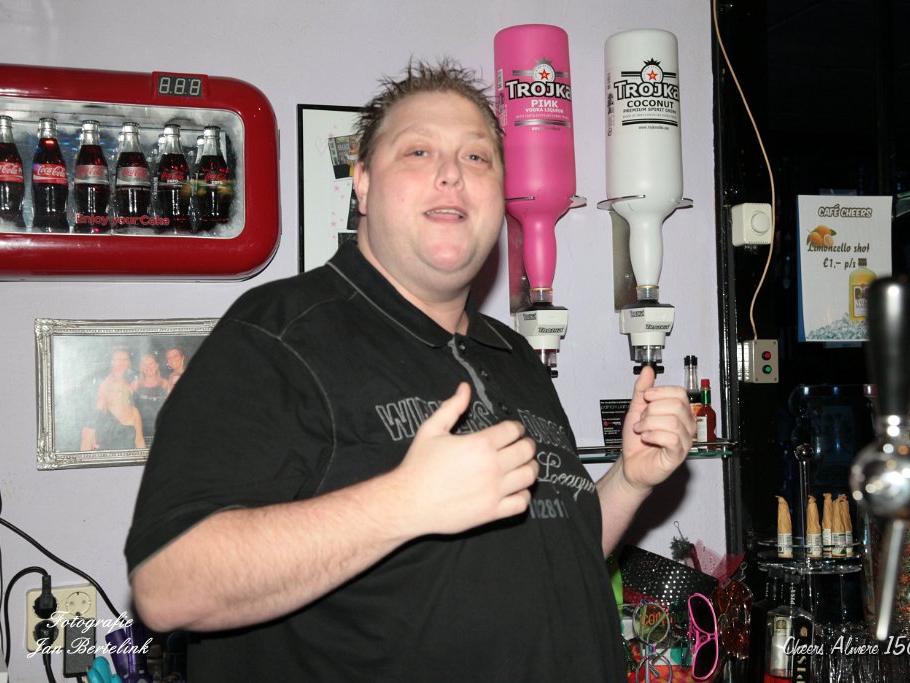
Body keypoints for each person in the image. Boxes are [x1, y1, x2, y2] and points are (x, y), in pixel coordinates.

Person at [125, 59, 694, 681]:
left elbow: (557, 562)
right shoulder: (279, 333)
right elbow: (168, 584)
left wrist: (629, 481)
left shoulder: (512, 355)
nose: (452, 173)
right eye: (418, 152)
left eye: (477, 157)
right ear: (363, 184)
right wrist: (403, 503)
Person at [81, 346, 146, 451]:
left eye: (125, 359)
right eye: (118, 359)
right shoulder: (104, 381)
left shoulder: (134, 379)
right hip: (107, 422)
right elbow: (98, 407)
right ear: (112, 362)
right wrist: (92, 432)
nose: (122, 362)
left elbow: (139, 439)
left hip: (131, 421)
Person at [130, 353, 169, 444]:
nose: (148, 367)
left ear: (156, 365)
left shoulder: (165, 384)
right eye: (145, 364)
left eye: (151, 364)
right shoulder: (135, 385)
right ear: (141, 367)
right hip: (141, 431)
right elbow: (129, 408)